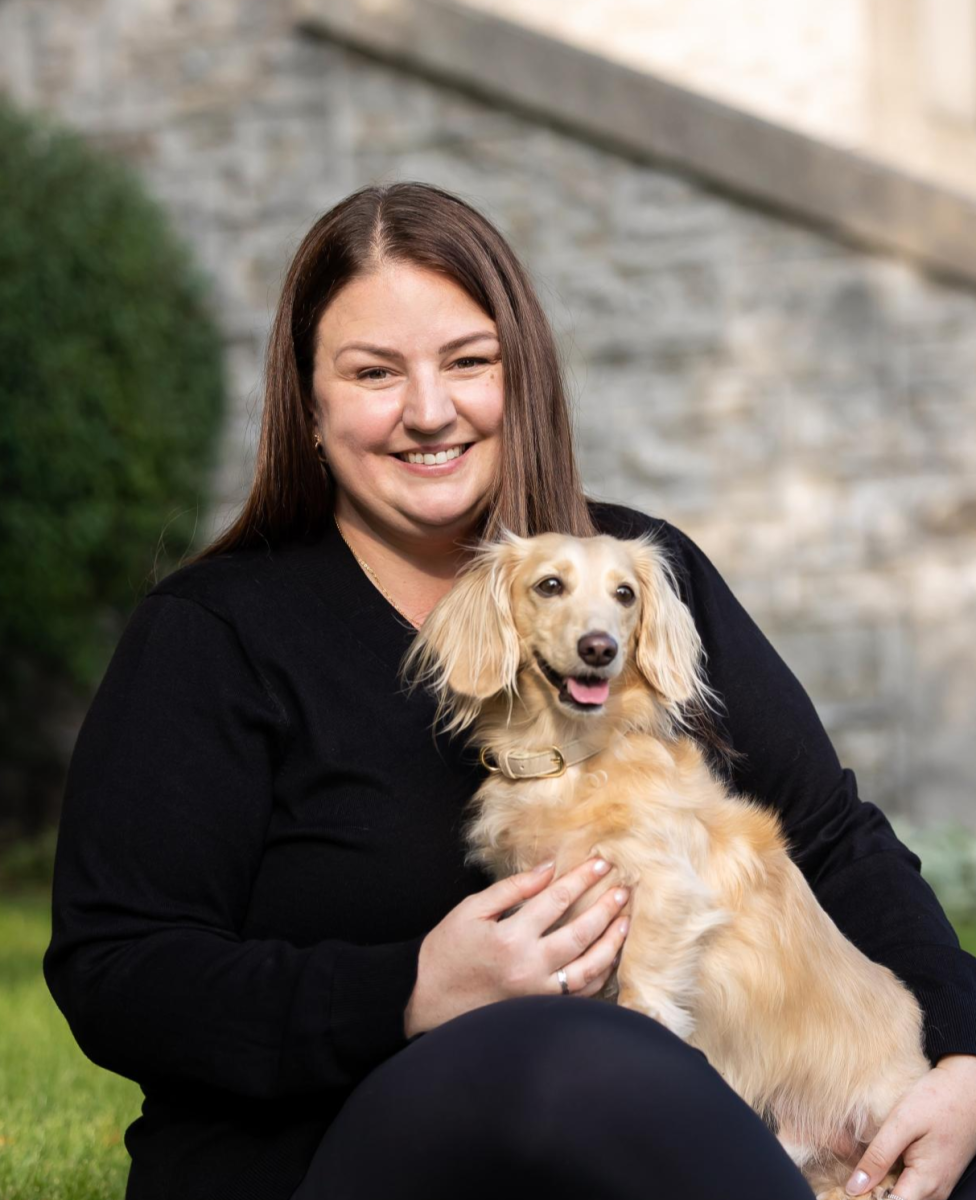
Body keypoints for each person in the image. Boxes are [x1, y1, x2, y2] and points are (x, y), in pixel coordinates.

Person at [44, 180, 976, 1200]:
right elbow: (117, 971)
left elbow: (833, 841)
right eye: (373, 372)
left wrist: (965, 1059)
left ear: (517, 380)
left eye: (468, 362)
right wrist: (407, 993)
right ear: (308, 408)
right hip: (320, 1162)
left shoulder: (636, 578)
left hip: (676, 1138)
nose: (430, 410)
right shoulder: (213, 636)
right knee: (571, 1055)